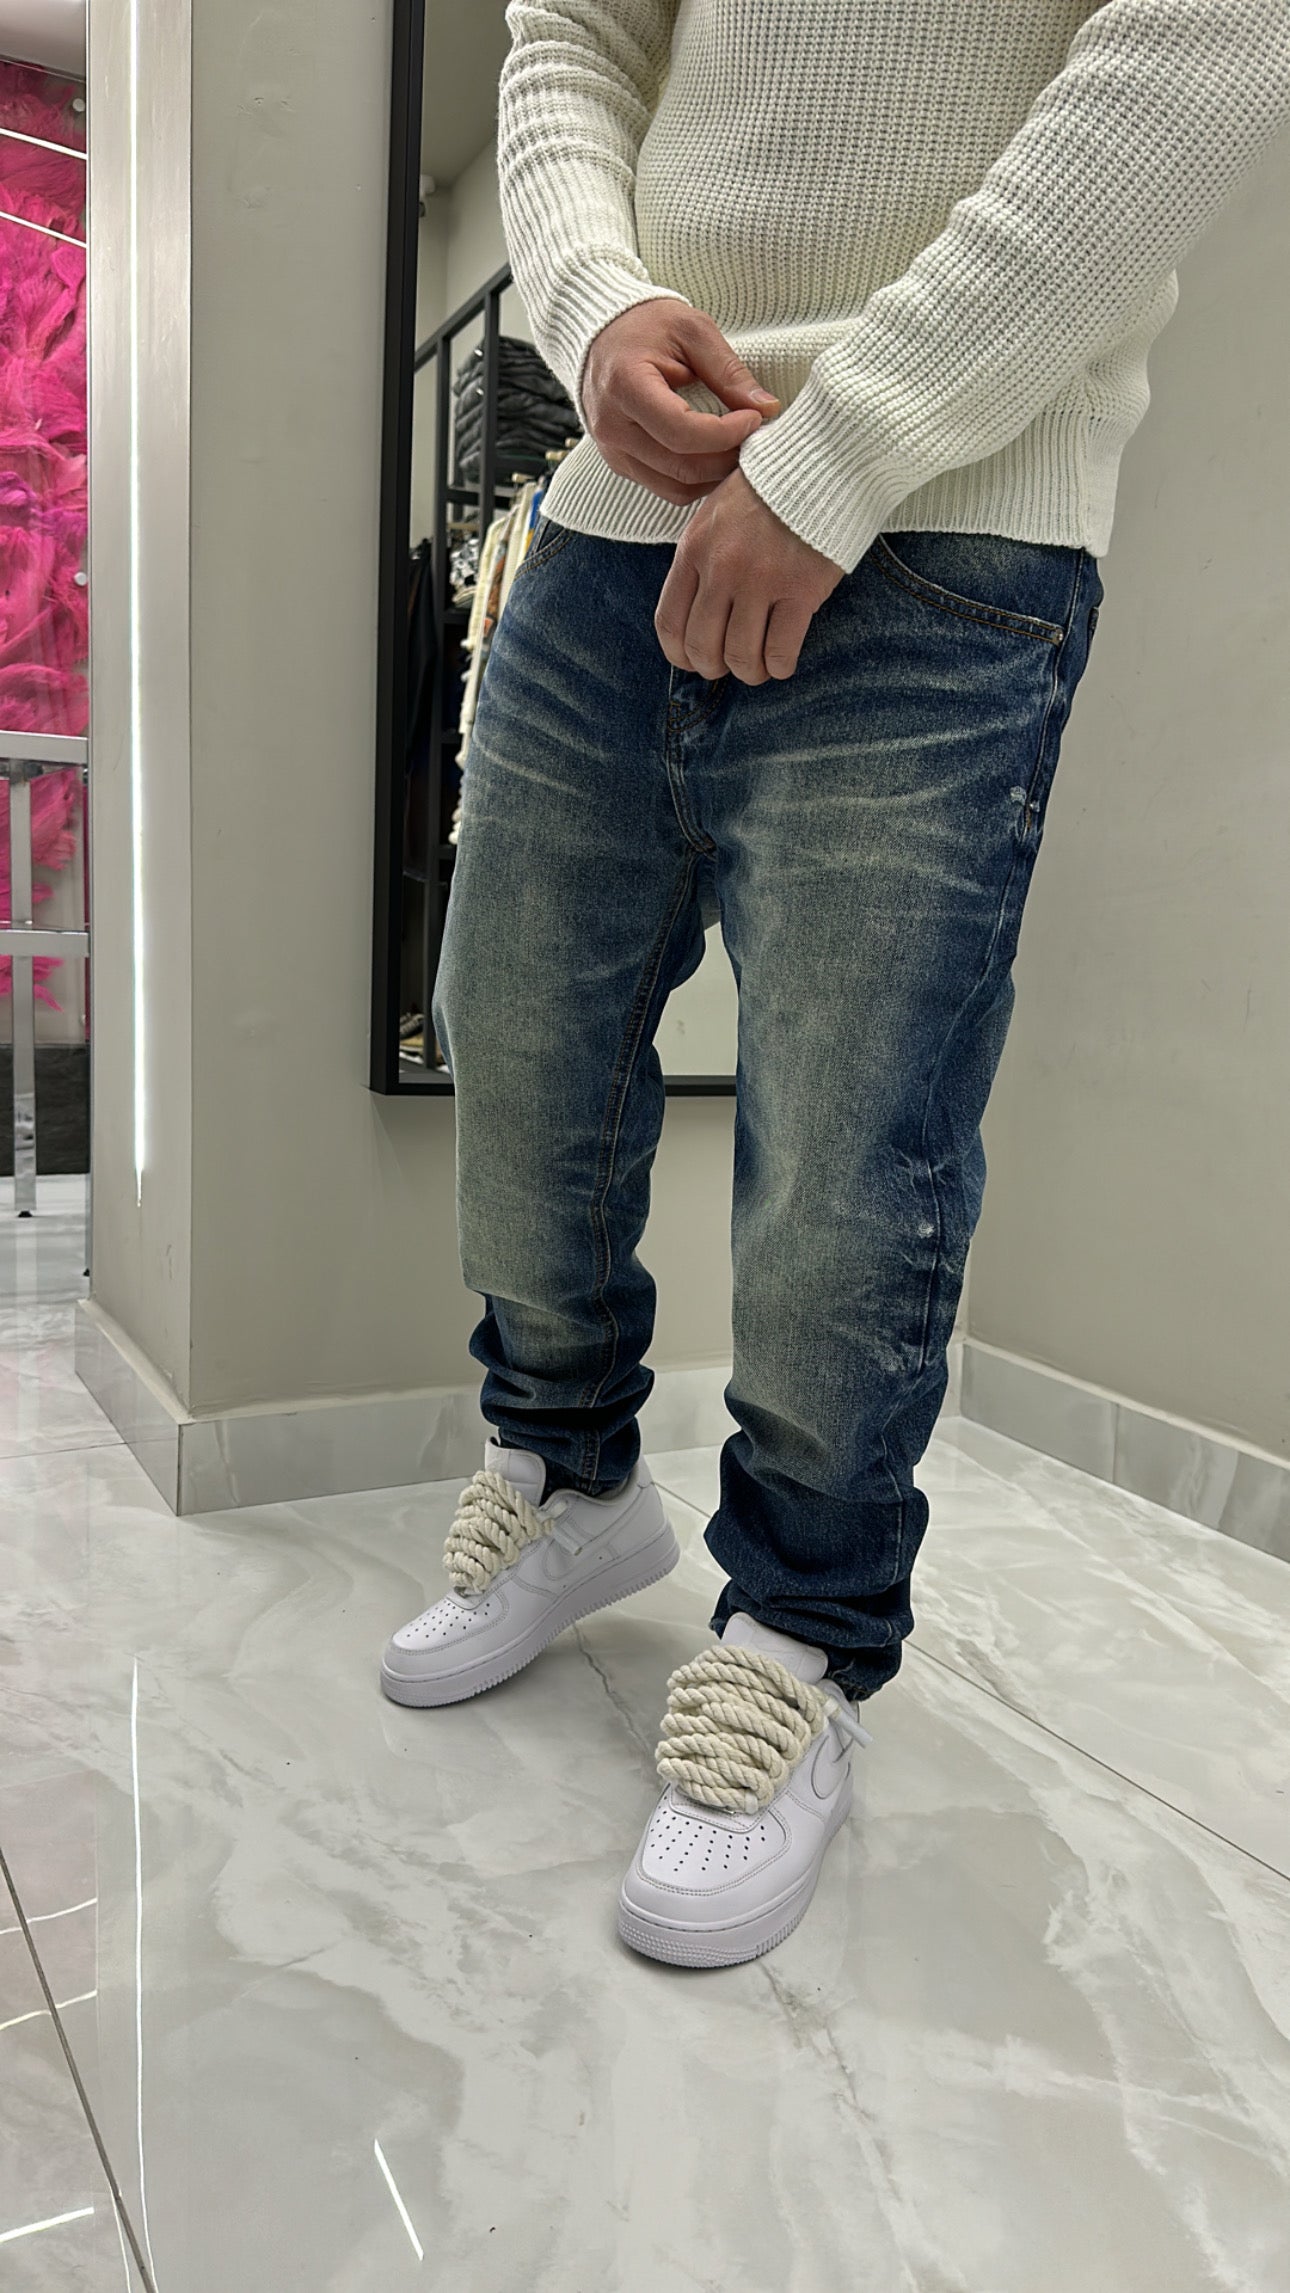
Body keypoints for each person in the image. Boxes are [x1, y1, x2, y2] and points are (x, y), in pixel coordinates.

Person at [382, 1, 1290, 1969]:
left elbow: (1205, 44)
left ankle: (800, 1620)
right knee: (511, 1036)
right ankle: (567, 1467)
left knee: (848, 1156)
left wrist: (848, 441)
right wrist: (593, 309)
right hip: (607, 519)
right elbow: (569, 38)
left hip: (951, 517)